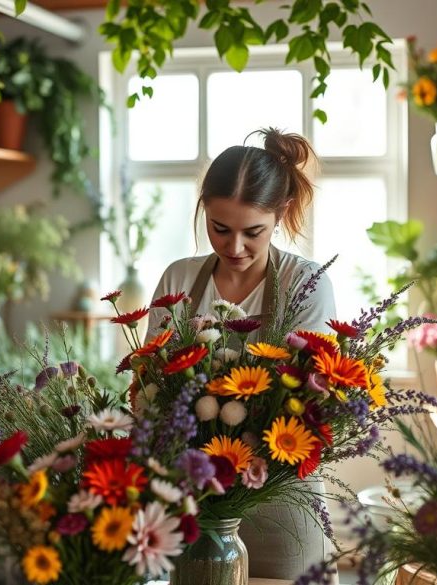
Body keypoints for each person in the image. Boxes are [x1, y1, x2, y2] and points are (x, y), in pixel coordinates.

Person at [146, 127, 339, 582]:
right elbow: (149, 385)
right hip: (193, 500)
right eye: (220, 229)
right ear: (204, 212)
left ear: (282, 213)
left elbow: (311, 399)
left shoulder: (305, 284)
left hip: (281, 499)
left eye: (253, 232)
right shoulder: (178, 281)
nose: (235, 248)